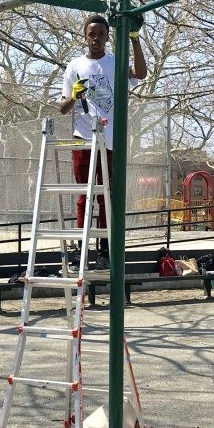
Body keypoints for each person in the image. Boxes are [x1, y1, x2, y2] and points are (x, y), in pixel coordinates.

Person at [59, 14, 147, 271]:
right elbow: (63, 108)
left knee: (106, 195)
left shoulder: (115, 62)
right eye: (91, 34)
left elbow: (140, 73)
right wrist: (74, 96)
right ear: (85, 37)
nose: (96, 39)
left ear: (108, 36)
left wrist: (134, 38)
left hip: (110, 139)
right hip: (83, 137)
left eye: (101, 34)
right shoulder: (75, 65)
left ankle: (105, 251)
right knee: (83, 195)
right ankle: (80, 250)